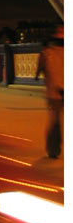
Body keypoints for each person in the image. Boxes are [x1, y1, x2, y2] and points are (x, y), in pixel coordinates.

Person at [35, 24, 64, 159]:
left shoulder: (46, 52)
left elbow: (38, 71)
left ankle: (53, 149)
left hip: (55, 90)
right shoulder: (47, 53)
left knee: (56, 120)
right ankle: (53, 148)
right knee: (55, 121)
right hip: (57, 90)